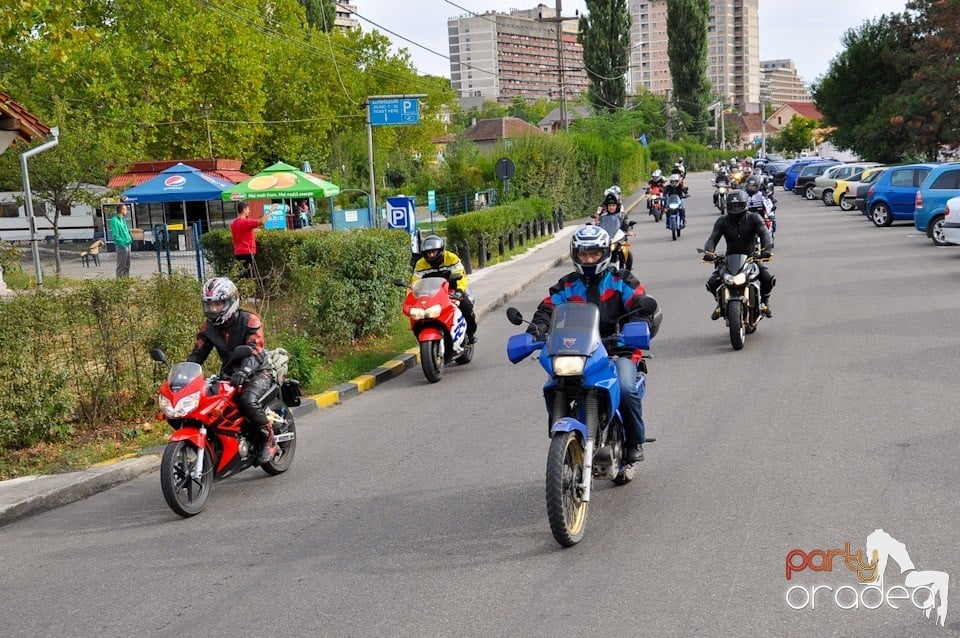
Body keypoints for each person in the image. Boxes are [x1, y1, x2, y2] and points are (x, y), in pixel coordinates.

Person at [526, 225, 661, 462]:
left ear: (604, 254)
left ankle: (634, 441)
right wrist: (535, 331)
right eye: (584, 254)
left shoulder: (621, 280)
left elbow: (641, 303)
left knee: (627, 388)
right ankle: (567, 442)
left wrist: (637, 327)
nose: (589, 259)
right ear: (575, 254)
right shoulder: (567, 285)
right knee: (556, 383)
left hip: (618, 349)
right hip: (579, 352)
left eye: (594, 254)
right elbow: (548, 308)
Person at [186, 277, 278, 464]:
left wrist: (244, 372)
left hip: (258, 371)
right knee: (209, 404)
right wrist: (184, 372)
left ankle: (268, 439)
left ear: (231, 301)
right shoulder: (209, 327)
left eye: (218, 304)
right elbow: (198, 354)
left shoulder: (250, 320)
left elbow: (255, 351)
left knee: (248, 400)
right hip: (229, 374)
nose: (213, 310)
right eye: (209, 305)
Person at [702, 189, 775, 319]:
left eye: (738, 205)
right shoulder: (722, 221)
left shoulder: (754, 218)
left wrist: (766, 250)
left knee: (768, 278)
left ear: (745, 205)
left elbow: (765, 233)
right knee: (711, 282)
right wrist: (709, 252)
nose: (735, 209)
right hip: (729, 260)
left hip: (751, 258)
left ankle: (765, 302)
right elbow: (712, 238)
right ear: (727, 206)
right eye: (732, 206)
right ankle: (720, 304)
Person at [412, 235, 478, 344]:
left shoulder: (451, 258)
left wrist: (459, 290)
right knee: (418, 313)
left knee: (466, 305)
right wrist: (414, 294)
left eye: (434, 252)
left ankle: (470, 333)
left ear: (440, 250)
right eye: (428, 253)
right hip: (431, 293)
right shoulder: (420, 264)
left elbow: (460, 274)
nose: (431, 255)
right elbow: (415, 281)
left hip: (453, 290)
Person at [231, 202, 270, 279]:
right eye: (248, 209)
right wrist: (270, 211)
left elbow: (242, 232)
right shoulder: (246, 221)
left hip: (238, 252)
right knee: (250, 275)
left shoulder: (234, 223)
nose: (249, 211)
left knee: (242, 275)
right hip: (248, 251)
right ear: (244, 210)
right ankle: (251, 289)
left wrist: (254, 230)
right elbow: (261, 222)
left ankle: (245, 290)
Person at [110, 204, 132, 278]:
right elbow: (115, 234)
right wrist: (122, 243)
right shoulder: (114, 220)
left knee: (127, 265)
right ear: (121, 210)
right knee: (121, 265)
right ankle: (119, 283)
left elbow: (126, 231)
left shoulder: (123, 219)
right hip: (122, 245)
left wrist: (130, 239)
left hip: (127, 243)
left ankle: (126, 280)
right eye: (125, 209)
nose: (126, 211)